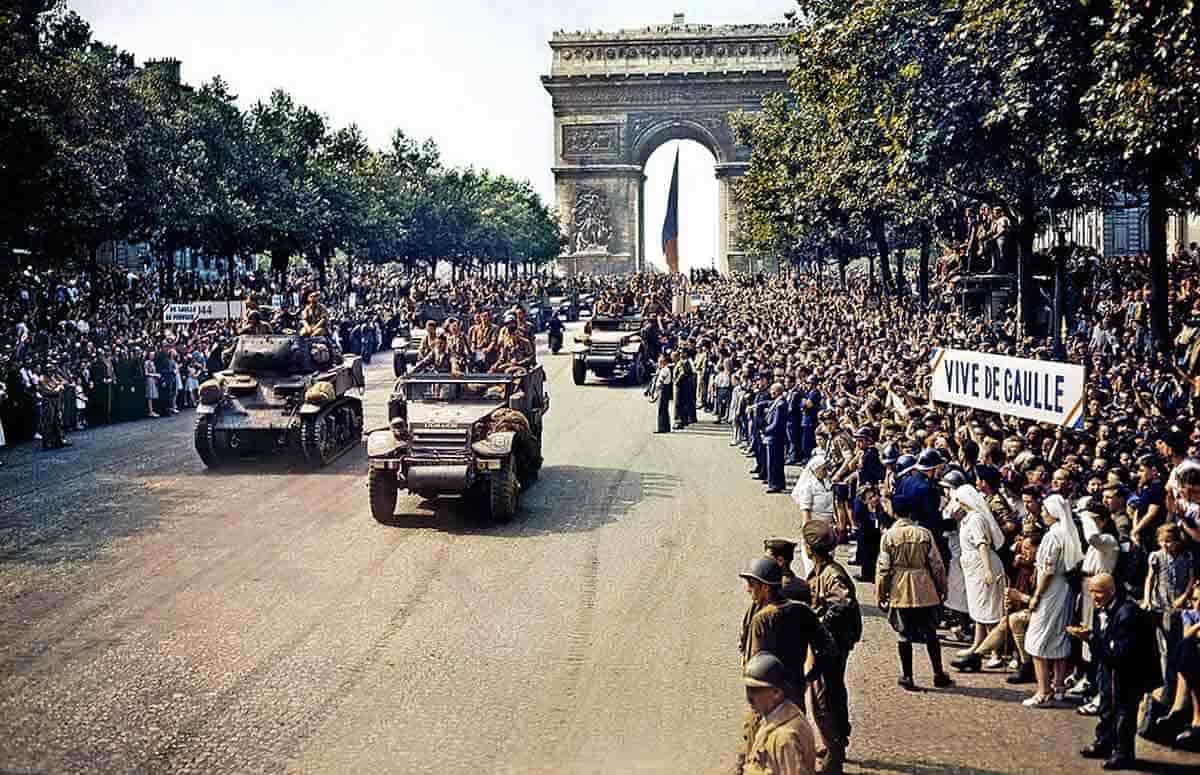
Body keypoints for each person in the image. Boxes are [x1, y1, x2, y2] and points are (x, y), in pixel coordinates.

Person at [1074, 573, 1162, 770]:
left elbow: (1122, 651)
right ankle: (1104, 742)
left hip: (1129, 670)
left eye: (1098, 591)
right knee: (1106, 704)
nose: (1093, 596)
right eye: (1091, 591)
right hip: (1108, 665)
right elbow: (1103, 640)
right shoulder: (1100, 609)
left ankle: (1123, 752)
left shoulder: (1127, 613)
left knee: (1124, 711)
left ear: (1111, 591)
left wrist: (1090, 639)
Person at [876, 498, 953, 690]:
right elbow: (937, 565)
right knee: (930, 632)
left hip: (900, 588)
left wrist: (880, 593)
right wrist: (942, 588)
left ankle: (908, 676)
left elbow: (883, 569)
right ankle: (938, 673)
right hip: (925, 586)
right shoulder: (924, 534)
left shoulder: (889, 536)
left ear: (894, 512)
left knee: (904, 634)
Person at [803, 520, 861, 775]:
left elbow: (842, 603)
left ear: (810, 548)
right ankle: (834, 743)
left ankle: (834, 753)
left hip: (832, 644)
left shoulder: (831, 574)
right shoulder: (822, 569)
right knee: (831, 691)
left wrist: (820, 625)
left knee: (824, 697)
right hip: (833, 642)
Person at [1023, 493, 1085, 707]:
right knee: (1059, 636)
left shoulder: (1052, 536)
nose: (1042, 514)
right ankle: (1058, 686)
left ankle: (1043, 691)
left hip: (1050, 590)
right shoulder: (1068, 532)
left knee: (1036, 640)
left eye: (1045, 511)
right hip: (1064, 589)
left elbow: (1047, 571)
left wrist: (1036, 596)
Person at [948, 484, 1008, 671]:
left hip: (982, 566)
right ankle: (978, 645)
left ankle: (995, 652)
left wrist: (988, 570)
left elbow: (982, 544)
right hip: (972, 568)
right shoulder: (967, 519)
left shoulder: (976, 519)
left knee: (989, 610)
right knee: (978, 609)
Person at [741, 652, 819, 775]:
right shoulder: (776, 714)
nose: (749, 697)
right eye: (748, 689)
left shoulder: (784, 738)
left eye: (755, 690)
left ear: (777, 692)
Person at [764, 383, 788, 493]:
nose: (770, 392)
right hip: (775, 436)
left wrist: (765, 430)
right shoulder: (777, 402)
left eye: (772, 390)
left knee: (773, 461)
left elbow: (776, 423)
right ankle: (779, 483)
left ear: (777, 391)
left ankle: (774, 483)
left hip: (775, 436)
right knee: (776, 460)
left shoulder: (780, 404)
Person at [653, 353, 673, 433]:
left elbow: (661, 381)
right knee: (664, 409)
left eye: (660, 362)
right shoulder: (664, 369)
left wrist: (657, 390)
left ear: (664, 362)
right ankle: (666, 427)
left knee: (661, 409)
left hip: (663, 389)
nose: (658, 364)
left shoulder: (665, 370)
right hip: (664, 389)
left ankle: (661, 428)